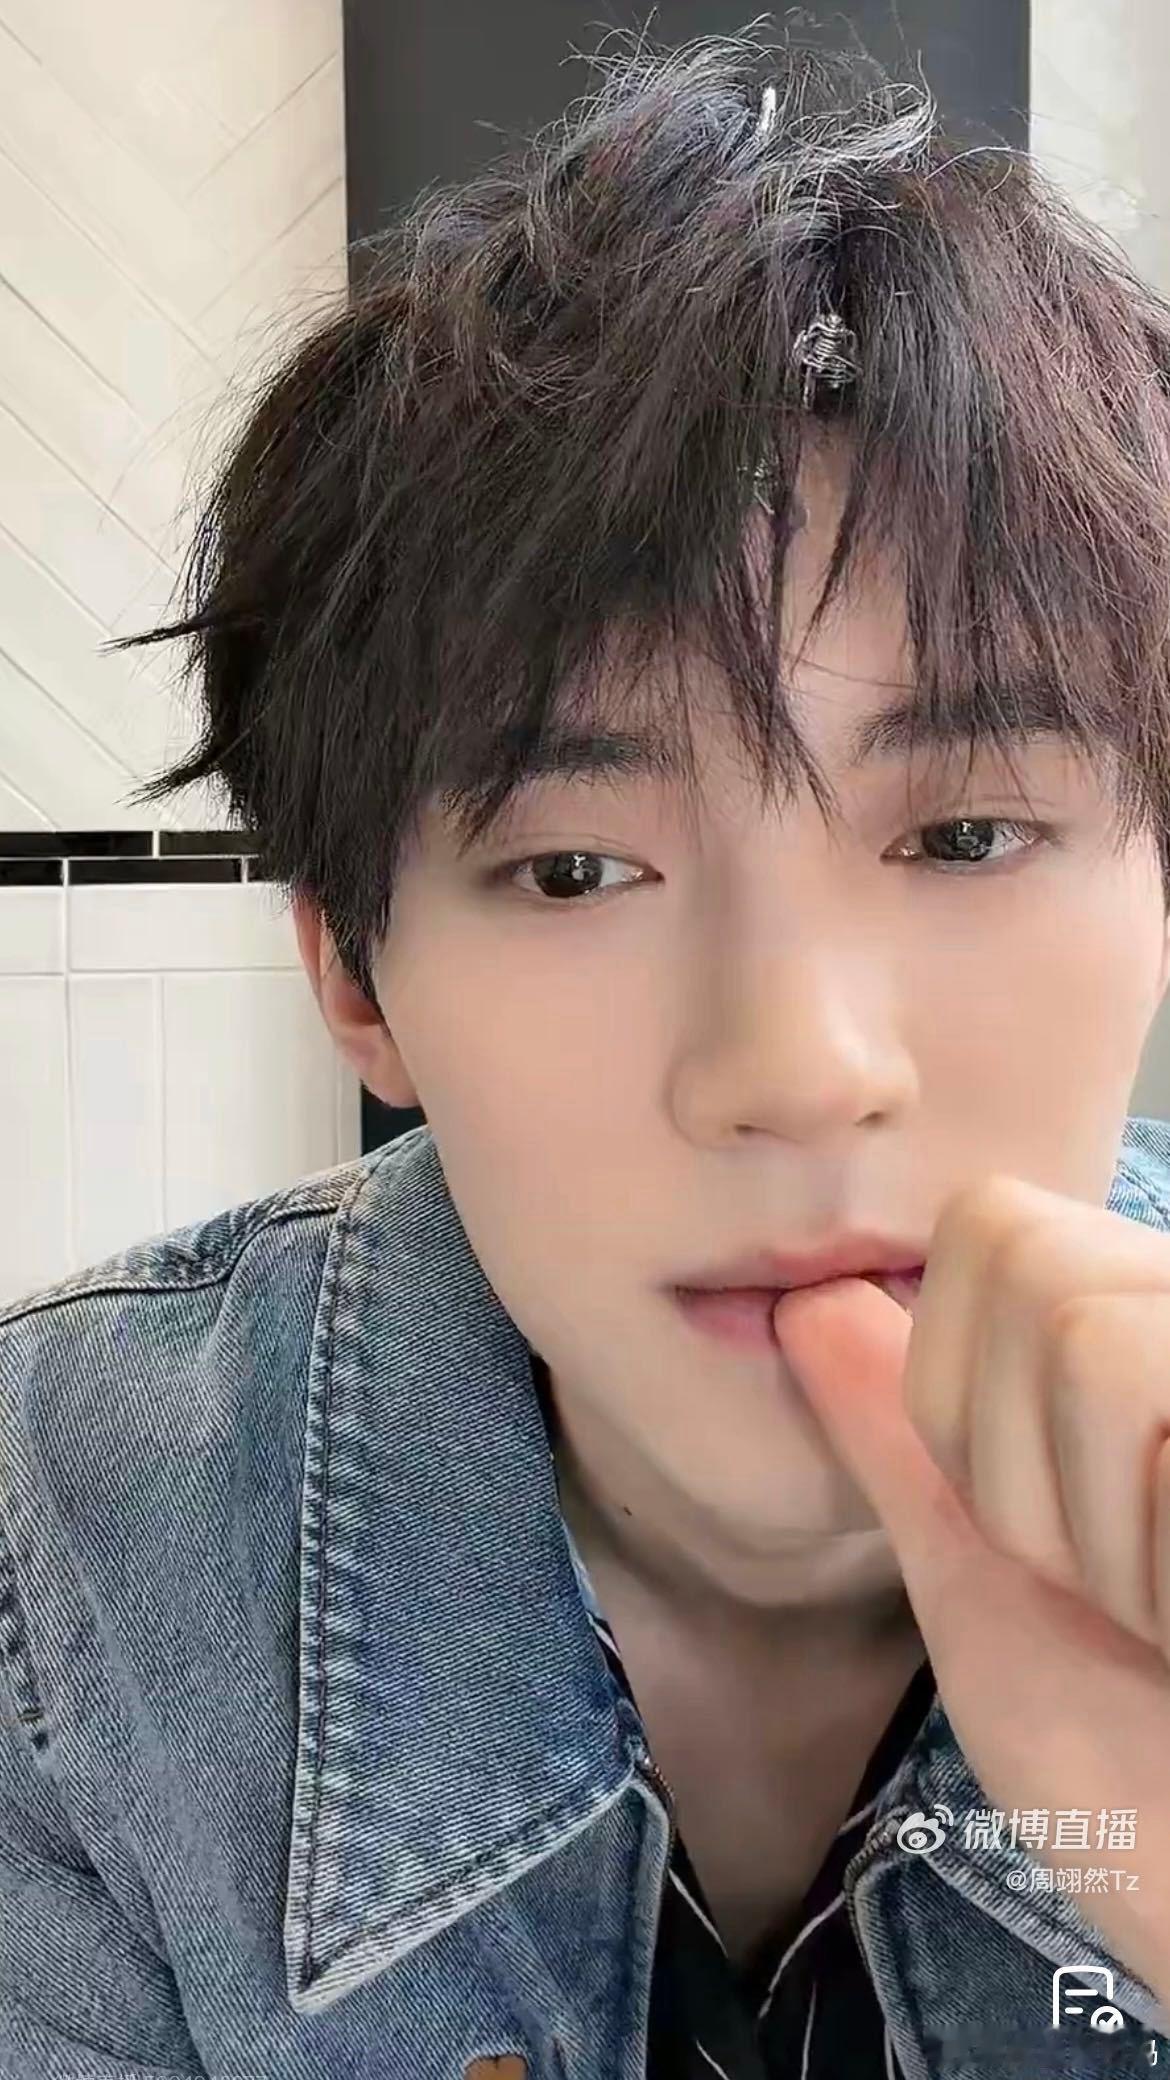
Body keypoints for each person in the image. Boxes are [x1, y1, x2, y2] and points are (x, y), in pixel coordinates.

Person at [4, 24, 1170, 2079]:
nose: (797, 1067)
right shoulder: (67, 1550)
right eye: (573, 868)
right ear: (356, 976)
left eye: (968, 834)